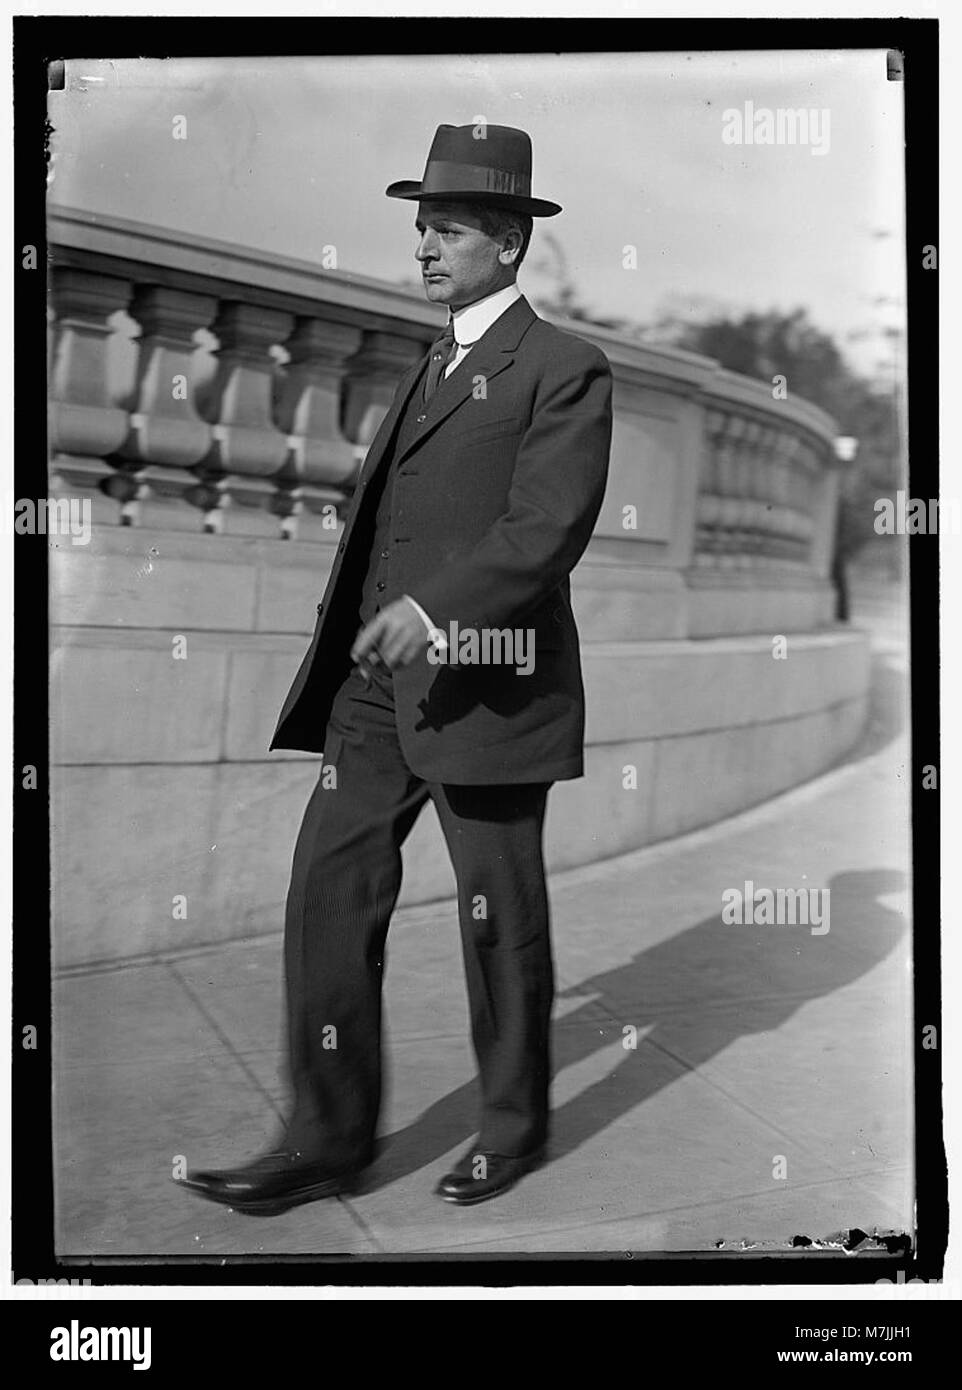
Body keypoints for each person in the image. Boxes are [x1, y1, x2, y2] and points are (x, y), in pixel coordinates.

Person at [178, 123, 613, 1213]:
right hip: (374, 691)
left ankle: (509, 1131)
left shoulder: (564, 366)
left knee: (493, 916)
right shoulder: (427, 363)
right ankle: (323, 1136)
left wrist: (434, 609)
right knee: (327, 893)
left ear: (508, 242)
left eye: (449, 228)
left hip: (488, 680)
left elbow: (544, 527)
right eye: (420, 226)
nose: (424, 246)